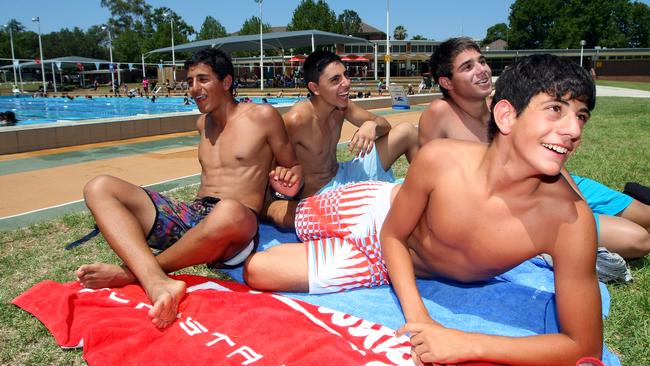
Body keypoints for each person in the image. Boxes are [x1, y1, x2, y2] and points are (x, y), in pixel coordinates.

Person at [245, 54, 603, 365]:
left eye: (581, 116)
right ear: (507, 116)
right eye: (556, 109)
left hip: (382, 265)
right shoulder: (442, 159)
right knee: (290, 216)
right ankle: (265, 205)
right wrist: (421, 318)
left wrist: (465, 342)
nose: (573, 130)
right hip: (374, 212)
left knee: (260, 271)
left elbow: (583, 347)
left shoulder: (569, 221)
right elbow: (393, 233)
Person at [75, 48, 303, 329]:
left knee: (229, 209)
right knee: (99, 186)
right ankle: (157, 282)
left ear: (227, 82)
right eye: (190, 81)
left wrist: (287, 180)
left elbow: (293, 167)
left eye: (203, 79)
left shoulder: (262, 116)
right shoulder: (202, 124)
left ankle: (132, 273)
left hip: (237, 224)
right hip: (194, 217)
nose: (194, 88)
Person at [419, 37, 650, 263]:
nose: (482, 70)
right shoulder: (440, 113)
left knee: (646, 218)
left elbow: (550, 152)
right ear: (447, 82)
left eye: (482, 61)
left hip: (556, 180)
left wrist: (577, 201)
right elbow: (430, 182)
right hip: (522, 201)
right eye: (468, 67)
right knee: (639, 240)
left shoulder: (503, 105)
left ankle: (619, 203)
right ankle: (557, 250)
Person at [261, 50, 418, 228]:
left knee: (407, 132)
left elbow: (385, 125)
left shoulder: (342, 106)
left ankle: (427, 189)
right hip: (323, 193)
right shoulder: (296, 120)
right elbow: (267, 167)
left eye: (345, 75)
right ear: (315, 88)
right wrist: (280, 192)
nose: (347, 82)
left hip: (344, 173)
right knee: (383, 205)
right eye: (335, 80)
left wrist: (372, 125)